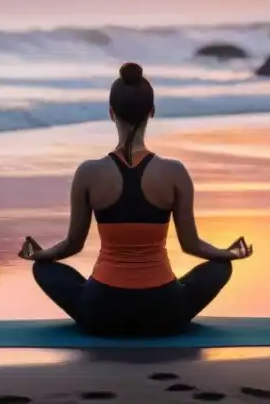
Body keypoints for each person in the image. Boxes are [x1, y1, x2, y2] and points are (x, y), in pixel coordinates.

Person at [19, 61, 253, 337]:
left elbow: (73, 244)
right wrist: (228, 253)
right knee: (219, 267)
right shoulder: (175, 173)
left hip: (101, 312)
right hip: (165, 312)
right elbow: (191, 245)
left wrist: (40, 255)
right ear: (151, 112)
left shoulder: (88, 173)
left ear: (110, 113)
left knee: (44, 270)